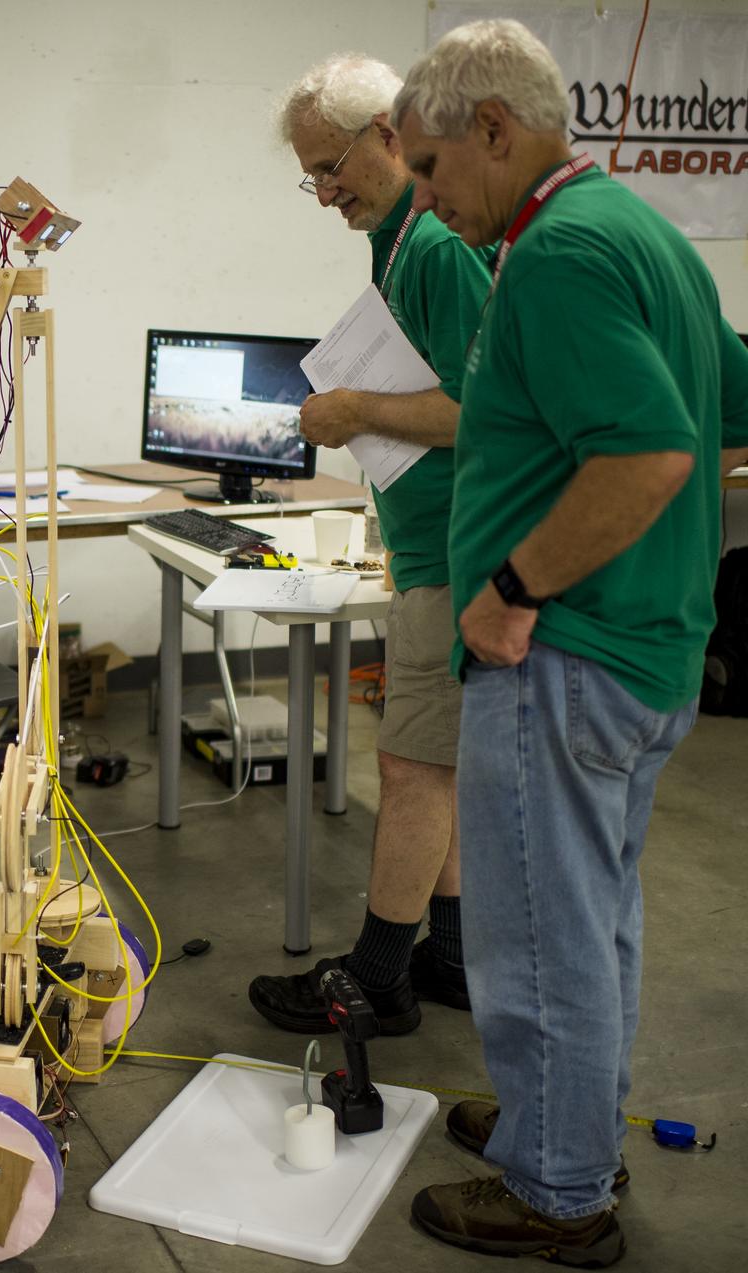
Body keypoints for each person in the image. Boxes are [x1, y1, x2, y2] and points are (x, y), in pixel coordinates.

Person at [392, 19, 748, 1265]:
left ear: (491, 128)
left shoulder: (556, 253)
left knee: (536, 933)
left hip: (563, 652)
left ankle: (557, 1190)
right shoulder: (641, 231)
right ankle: (563, 1123)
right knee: (589, 917)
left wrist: (510, 585)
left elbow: (647, 453)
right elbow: (723, 403)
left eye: (427, 168)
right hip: (644, 645)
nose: (423, 200)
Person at [248, 54, 492, 1036]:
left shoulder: (433, 247)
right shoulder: (398, 241)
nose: (321, 192)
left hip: (459, 551)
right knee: (438, 762)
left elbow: (487, 410)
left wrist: (353, 409)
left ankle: (376, 981)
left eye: (329, 167)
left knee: (410, 770)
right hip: (431, 545)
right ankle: (455, 958)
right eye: (309, 175)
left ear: (388, 135)